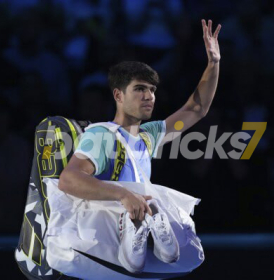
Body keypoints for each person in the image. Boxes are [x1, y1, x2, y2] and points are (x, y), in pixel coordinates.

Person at [58, 19, 221, 274]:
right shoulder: (102, 134)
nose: (149, 96)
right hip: (103, 242)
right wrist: (123, 195)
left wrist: (214, 64)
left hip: (132, 250)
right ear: (118, 95)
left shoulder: (148, 134)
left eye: (152, 90)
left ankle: (148, 226)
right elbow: (68, 180)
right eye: (140, 89)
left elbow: (196, 108)